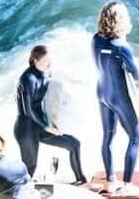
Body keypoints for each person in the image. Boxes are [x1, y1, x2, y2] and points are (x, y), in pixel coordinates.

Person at [92, 1, 139, 196]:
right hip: (119, 96)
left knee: (108, 137)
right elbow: (137, 75)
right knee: (136, 137)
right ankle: (128, 186)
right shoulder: (122, 46)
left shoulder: (95, 39)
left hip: (102, 93)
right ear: (121, 20)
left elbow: (99, 63)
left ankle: (110, 181)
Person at [14, 45, 87, 185]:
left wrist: (77, 81)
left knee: (74, 144)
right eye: (46, 61)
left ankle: (81, 181)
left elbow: (54, 89)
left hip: (40, 124)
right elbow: (28, 110)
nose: (49, 63)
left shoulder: (47, 73)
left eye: (50, 60)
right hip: (26, 128)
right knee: (30, 166)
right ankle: (18, 193)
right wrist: (47, 126)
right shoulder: (28, 79)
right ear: (35, 60)